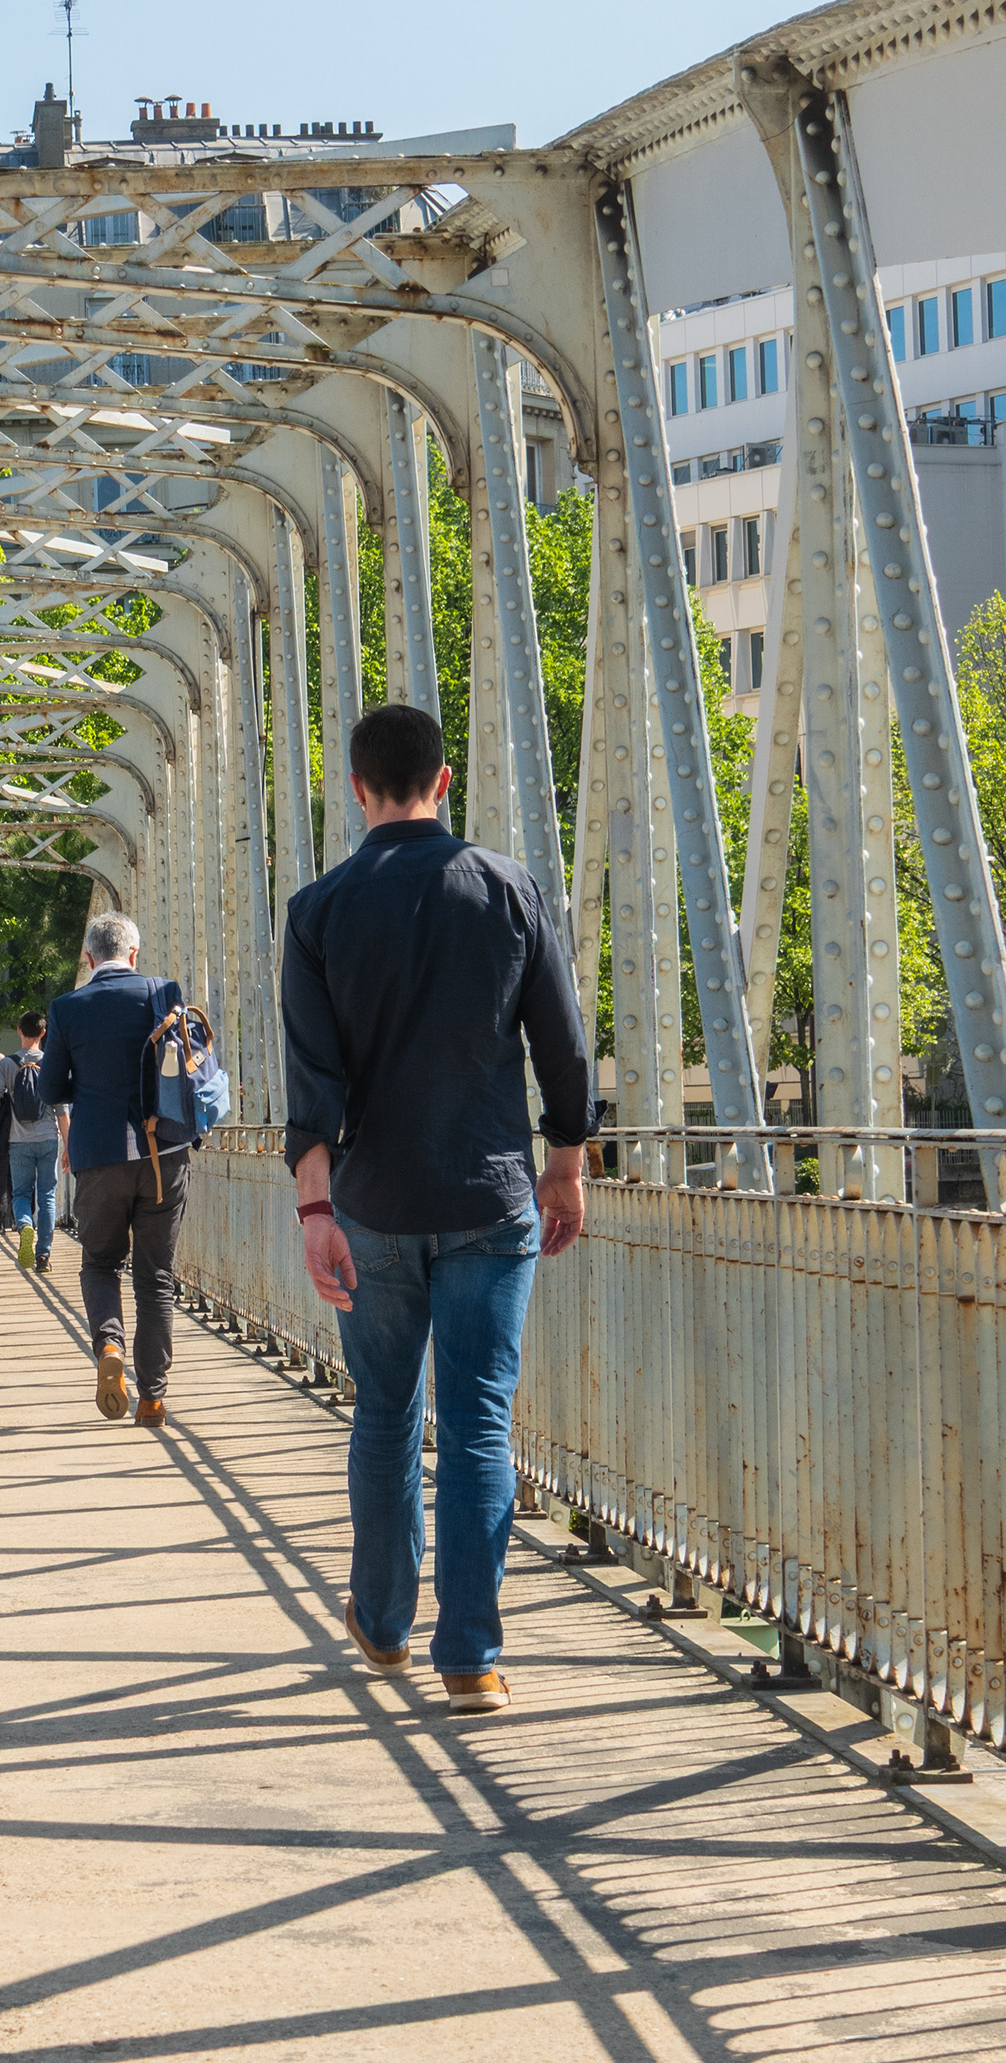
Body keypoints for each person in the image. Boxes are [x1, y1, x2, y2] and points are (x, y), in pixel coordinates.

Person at [281, 703, 591, 1717]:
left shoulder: (318, 910)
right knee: (478, 1424)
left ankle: (380, 1621)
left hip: (370, 1201)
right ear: (444, 781)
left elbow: (312, 1077)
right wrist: (568, 1162)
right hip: (492, 1196)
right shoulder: (507, 888)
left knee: (383, 1413)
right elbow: (562, 1046)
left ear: (357, 789)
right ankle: (473, 1656)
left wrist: (314, 1205)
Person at [39, 913, 192, 1429]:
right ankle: (152, 1397)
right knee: (156, 1278)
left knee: (101, 1263)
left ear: (87, 958)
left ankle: (109, 1343)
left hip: (99, 1157)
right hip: (164, 1154)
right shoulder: (161, 992)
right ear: (134, 953)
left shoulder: (66, 1008)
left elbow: (49, 1089)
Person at [0, 1010, 69, 1276]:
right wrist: (68, 1146)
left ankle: (24, 1227)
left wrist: (8, 1102)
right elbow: (62, 1111)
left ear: (19, 1031)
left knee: (21, 1193)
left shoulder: (6, 1064)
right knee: (46, 1196)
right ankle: (43, 1254)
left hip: (19, 1141)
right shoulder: (51, 1064)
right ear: (43, 1033)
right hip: (48, 1138)